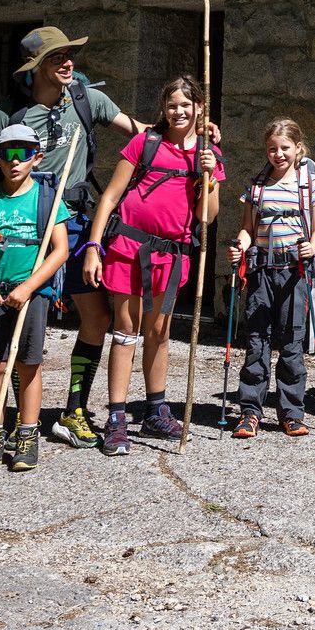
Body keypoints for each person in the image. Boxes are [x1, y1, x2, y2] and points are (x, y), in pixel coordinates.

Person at [0, 25, 147, 450]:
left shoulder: (87, 100)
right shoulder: (9, 112)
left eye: (70, 55)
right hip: (26, 226)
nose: (69, 63)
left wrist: (193, 134)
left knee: (97, 317)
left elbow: (143, 133)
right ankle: (18, 419)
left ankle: (73, 410)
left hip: (76, 221)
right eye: (57, 58)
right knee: (21, 318)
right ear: (36, 68)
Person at [82, 75, 223, 456]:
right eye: (172, 105)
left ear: (199, 109)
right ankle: (116, 418)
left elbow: (207, 217)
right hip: (129, 246)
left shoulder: (207, 155)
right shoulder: (144, 143)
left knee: (159, 331)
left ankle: (156, 409)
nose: (178, 112)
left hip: (172, 254)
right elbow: (110, 197)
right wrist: (95, 246)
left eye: (186, 105)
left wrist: (207, 178)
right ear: (163, 109)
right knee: (126, 330)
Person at [0, 123, 73, 474]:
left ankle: (27, 434)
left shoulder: (47, 201)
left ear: (36, 158)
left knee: (28, 364)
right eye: (6, 154)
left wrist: (28, 288)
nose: (14, 161)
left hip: (31, 295)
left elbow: (60, 250)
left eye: (22, 153)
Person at [229, 118, 315, 438]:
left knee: (291, 341)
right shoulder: (257, 185)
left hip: (294, 272)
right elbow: (247, 229)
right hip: (260, 271)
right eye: (272, 148)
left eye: (285, 148)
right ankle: (250, 412)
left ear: (298, 148)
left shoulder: (308, 183)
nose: (278, 154)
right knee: (257, 341)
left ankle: (291, 412)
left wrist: (312, 248)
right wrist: (239, 247)